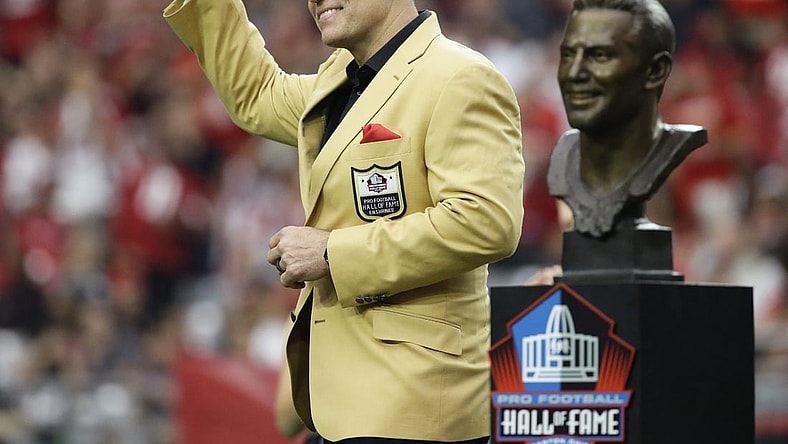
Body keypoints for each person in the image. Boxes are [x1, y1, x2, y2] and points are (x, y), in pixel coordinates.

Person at [163, 1, 525, 443]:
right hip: (339, 407)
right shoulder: (339, 80)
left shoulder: (460, 76)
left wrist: (332, 253)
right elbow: (255, 95)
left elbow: (486, 221)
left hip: (414, 405)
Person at [547, 0, 707, 238]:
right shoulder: (564, 156)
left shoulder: (669, 150)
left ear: (655, 71)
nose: (574, 74)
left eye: (599, 56)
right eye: (569, 55)